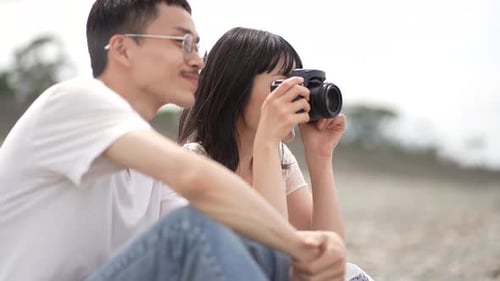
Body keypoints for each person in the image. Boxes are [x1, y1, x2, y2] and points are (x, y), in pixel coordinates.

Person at [0, 1, 347, 281]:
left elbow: (243, 246)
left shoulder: (147, 169)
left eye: (196, 45)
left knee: (252, 249)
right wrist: (297, 243)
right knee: (194, 230)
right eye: (182, 43)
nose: (197, 60)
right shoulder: (73, 101)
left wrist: (305, 257)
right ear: (122, 49)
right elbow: (195, 180)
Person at [178, 27, 373, 280]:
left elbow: (328, 259)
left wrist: (320, 156)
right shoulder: (196, 162)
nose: (298, 95)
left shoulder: (279, 158)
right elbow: (270, 261)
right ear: (236, 88)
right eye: (282, 84)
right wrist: (267, 141)